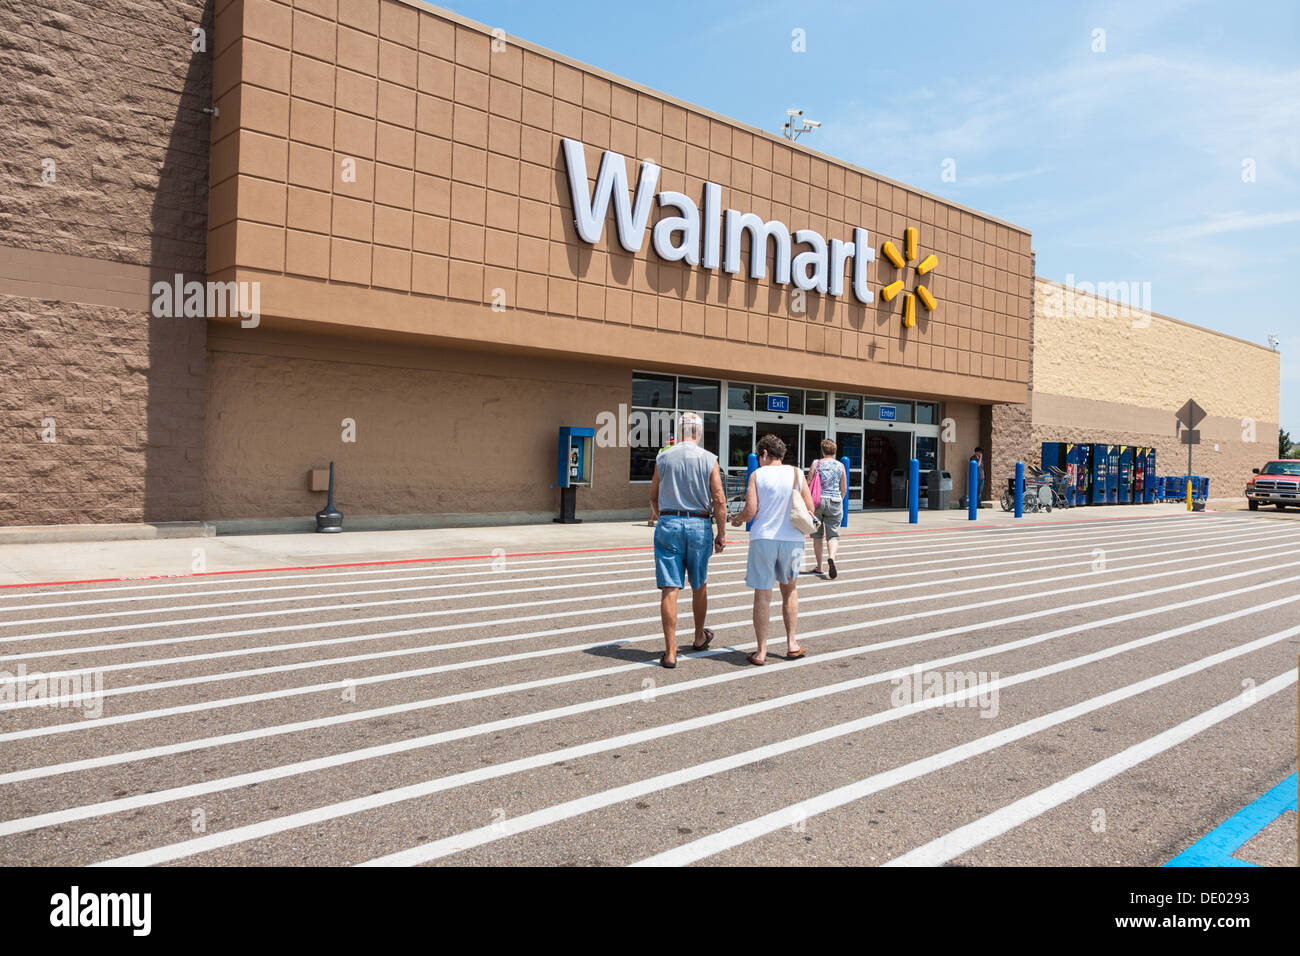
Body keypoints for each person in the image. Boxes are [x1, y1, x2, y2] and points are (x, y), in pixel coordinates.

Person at [649, 412, 726, 668]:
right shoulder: (709, 459)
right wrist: (721, 534)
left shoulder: (663, 457)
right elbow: (719, 499)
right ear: (699, 433)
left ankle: (670, 652)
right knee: (699, 582)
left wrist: (665, 516)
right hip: (698, 524)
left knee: (670, 588)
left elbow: (653, 495)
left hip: (669, 522)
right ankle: (698, 635)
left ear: (679, 432)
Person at [730, 433, 814, 665]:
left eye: (759, 456)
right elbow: (810, 506)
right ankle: (792, 644)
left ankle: (761, 651)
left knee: (763, 596)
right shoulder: (797, 473)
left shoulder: (757, 475)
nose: (758, 460)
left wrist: (737, 520)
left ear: (765, 454)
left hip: (764, 539)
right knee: (790, 591)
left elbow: (751, 510)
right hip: (792, 540)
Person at [807, 439, 847, 578]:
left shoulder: (816, 463)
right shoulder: (840, 466)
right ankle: (831, 557)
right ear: (834, 451)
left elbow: (809, 483)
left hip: (817, 502)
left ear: (822, 450)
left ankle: (819, 566)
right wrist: (839, 500)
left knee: (817, 535)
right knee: (833, 534)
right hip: (835, 501)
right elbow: (844, 488)